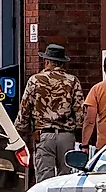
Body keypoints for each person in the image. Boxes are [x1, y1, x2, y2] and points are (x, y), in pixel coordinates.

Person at [16, 43, 83, 177]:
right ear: (62, 63)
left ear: (47, 62)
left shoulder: (35, 80)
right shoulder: (72, 81)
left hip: (44, 135)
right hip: (66, 136)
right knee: (66, 178)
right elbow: (80, 113)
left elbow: (24, 110)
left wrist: (21, 130)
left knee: (45, 179)